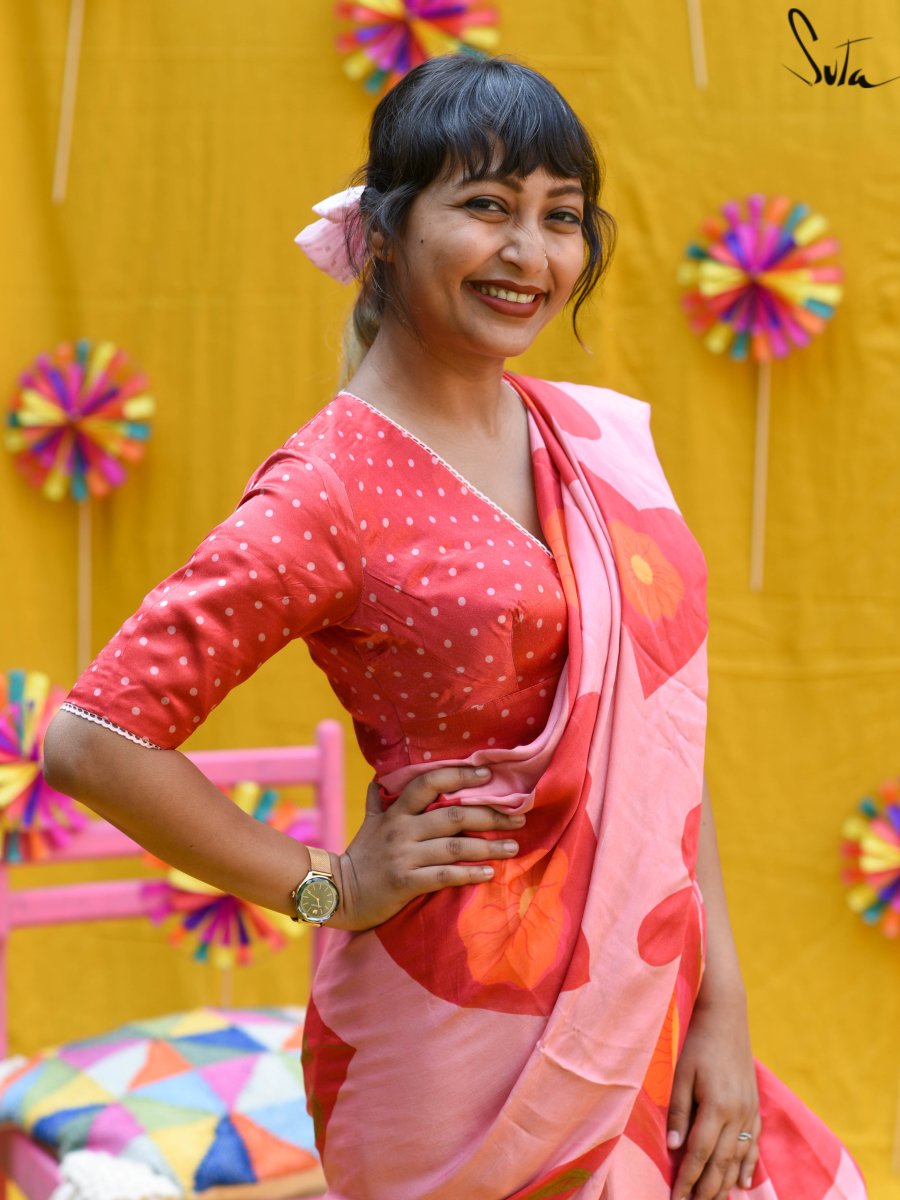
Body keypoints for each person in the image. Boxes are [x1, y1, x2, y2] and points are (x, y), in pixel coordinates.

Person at [45, 54, 865, 1200]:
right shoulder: (326, 490)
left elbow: (656, 749)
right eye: (487, 206)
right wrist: (328, 884)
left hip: (647, 998)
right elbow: (91, 741)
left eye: (561, 217)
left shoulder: (588, 440)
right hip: (455, 1033)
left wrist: (722, 1010)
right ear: (384, 229)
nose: (530, 253)